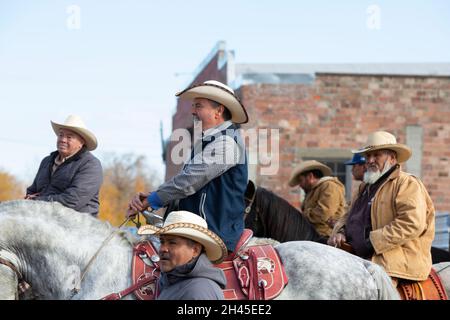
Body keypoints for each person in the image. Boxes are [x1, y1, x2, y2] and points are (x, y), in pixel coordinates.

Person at [128, 80, 248, 252]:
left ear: (219, 111)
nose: (193, 111)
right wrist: (155, 196)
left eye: (198, 106)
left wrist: (152, 200)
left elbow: (188, 182)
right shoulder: (211, 140)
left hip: (214, 234)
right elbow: (188, 183)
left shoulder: (226, 143)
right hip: (199, 231)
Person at [328, 131, 435, 285]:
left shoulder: (407, 183)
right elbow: (347, 216)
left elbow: (411, 223)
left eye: (376, 155)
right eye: (368, 156)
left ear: (392, 158)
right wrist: (340, 232)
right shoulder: (365, 186)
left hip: (395, 263)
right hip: (360, 259)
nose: (370, 160)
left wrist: (371, 241)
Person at [137, 210, 227, 300]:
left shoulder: (197, 292)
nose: (163, 249)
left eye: (172, 243)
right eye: (162, 242)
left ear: (195, 250)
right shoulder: (175, 282)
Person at [26, 115, 103, 216]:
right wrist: (29, 199)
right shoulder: (47, 161)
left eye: (69, 137)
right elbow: (32, 191)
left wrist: (38, 201)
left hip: (78, 226)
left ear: (81, 142)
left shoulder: (90, 165)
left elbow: (72, 200)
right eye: (61, 135)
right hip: (45, 220)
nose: (63, 139)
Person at [288, 160, 346, 238]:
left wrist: (303, 216)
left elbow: (323, 214)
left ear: (310, 176)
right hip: (313, 235)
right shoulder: (312, 191)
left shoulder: (329, 186)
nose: (300, 185)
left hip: (326, 237)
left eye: (301, 180)